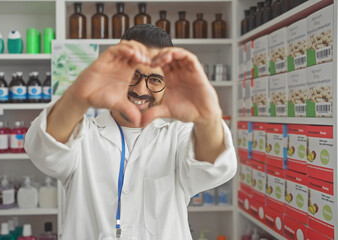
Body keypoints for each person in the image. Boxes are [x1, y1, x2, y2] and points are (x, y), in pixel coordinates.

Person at [25, 24, 237, 240]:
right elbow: (42, 149)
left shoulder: (179, 136)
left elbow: (215, 169)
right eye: (133, 76)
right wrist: (78, 97)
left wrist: (206, 118)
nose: (140, 90)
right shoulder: (85, 135)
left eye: (154, 80)